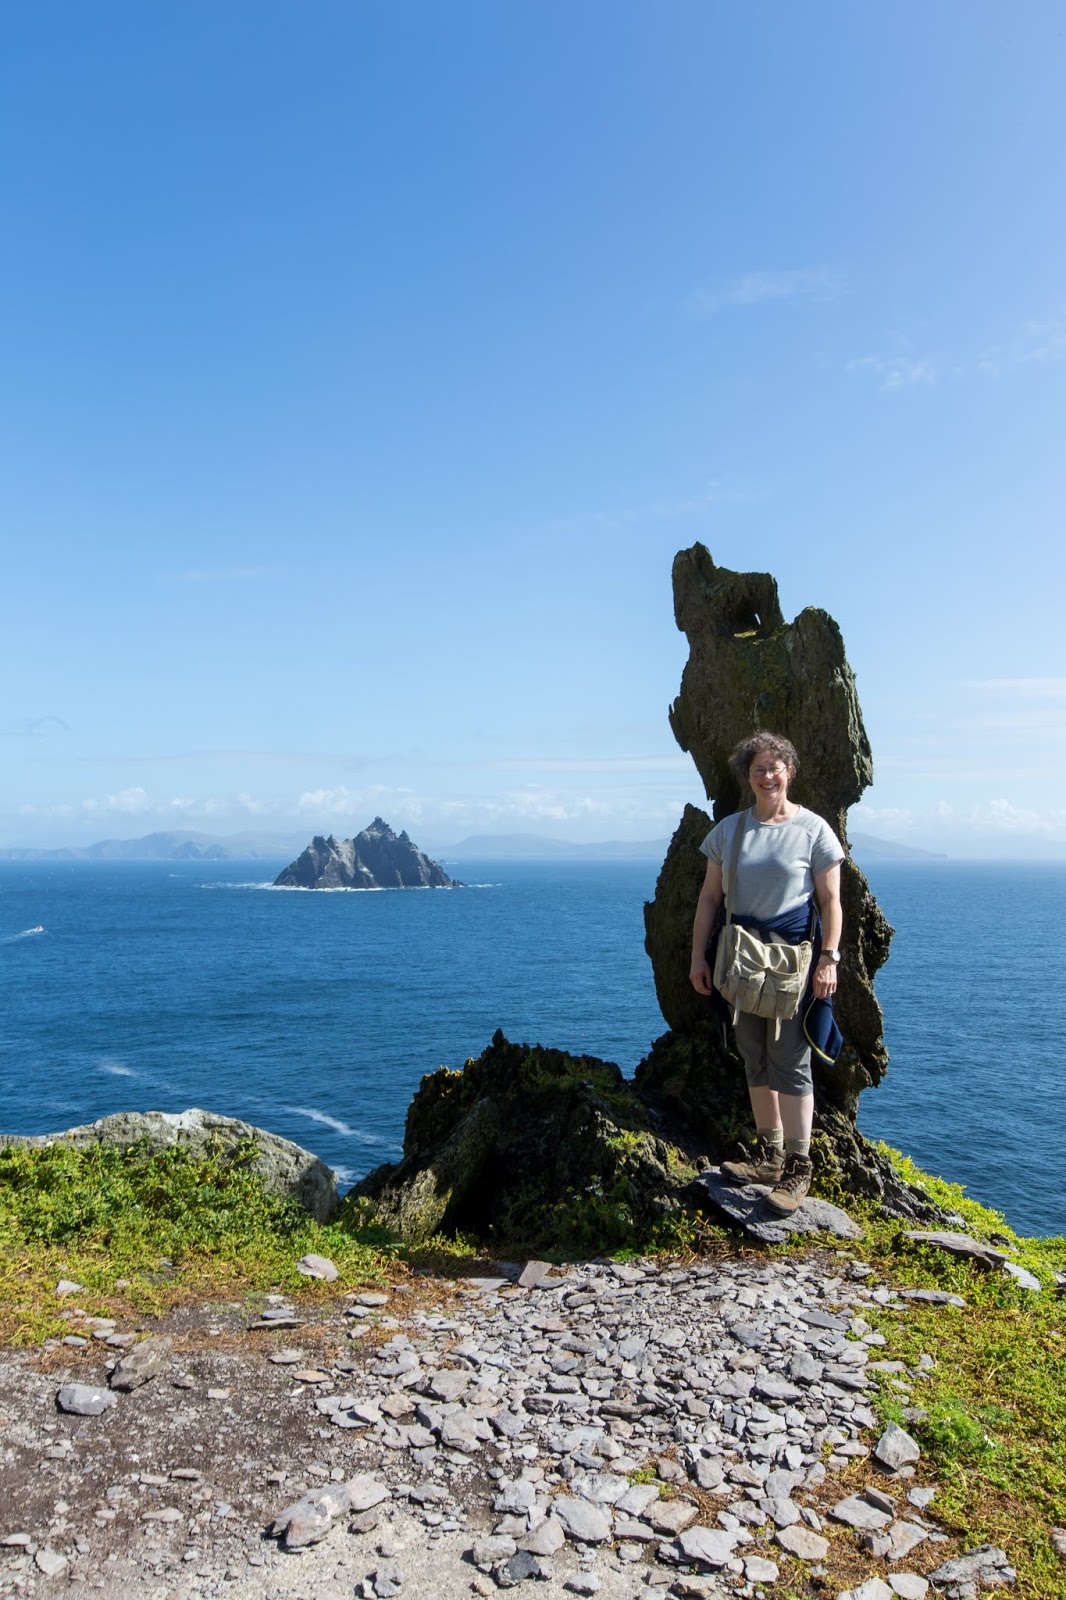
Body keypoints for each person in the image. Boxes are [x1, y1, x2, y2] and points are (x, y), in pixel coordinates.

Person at [689, 731, 844, 1215]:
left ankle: (800, 1165)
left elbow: (831, 901)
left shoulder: (814, 830)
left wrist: (829, 958)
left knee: (790, 1058)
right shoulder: (729, 832)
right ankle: (770, 1155)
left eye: (775, 767)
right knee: (752, 1052)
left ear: (790, 771)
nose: (767, 775)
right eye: (758, 768)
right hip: (739, 958)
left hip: (790, 961)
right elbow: (710, 899)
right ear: (748, 776)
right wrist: (698, 958)